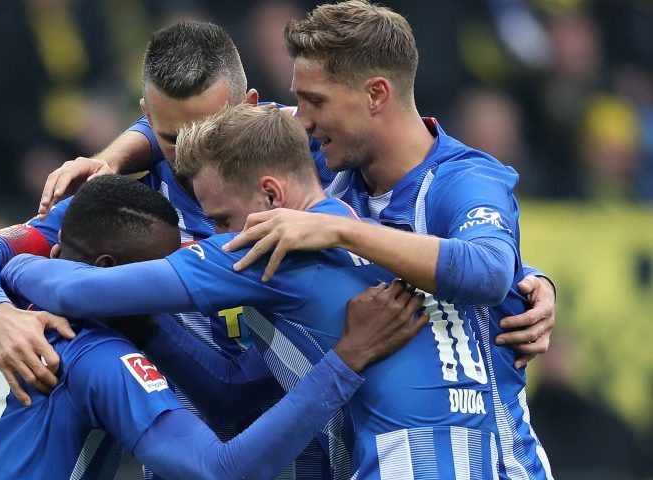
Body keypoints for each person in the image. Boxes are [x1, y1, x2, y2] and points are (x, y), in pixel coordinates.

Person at [1, 104, 531, 479]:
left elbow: (79, 291)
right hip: (500, 458)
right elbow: (234, 390)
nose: (214, 235)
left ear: (271, 197)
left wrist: (14, 265)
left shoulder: (265, 251)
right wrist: (532, 280)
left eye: (221, 219)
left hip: (409, 462)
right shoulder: (390, 230)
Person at [0, 175, 428, 480]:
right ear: (107, 272)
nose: (166, 300)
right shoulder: (95, 359)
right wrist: (346, 360)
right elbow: (219, 470)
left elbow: (227, 395)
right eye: (155, 279)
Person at [222, 2, 554, 478]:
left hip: (488, 464)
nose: (303, 121)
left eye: (315, 101)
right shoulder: (323, 153)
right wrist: (116, 158)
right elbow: (195, 122)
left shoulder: (465, 179)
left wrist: (342, 229)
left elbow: (488, 270)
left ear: (375, 94)